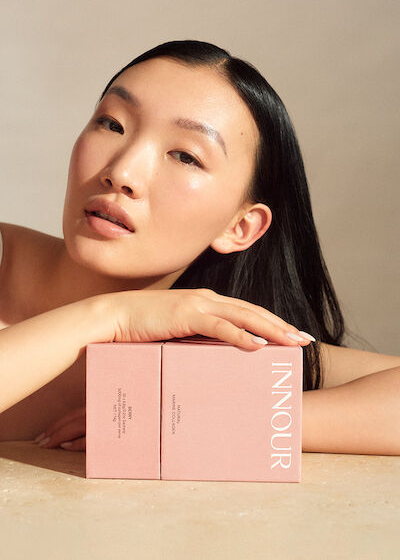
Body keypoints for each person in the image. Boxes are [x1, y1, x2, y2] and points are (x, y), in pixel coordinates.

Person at [0, 40, 399, 455]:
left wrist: (211, 417)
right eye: (112, 124)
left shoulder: (216, 344)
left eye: (185, 156)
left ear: (239, 227)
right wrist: (112, 317)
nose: (123, 173)